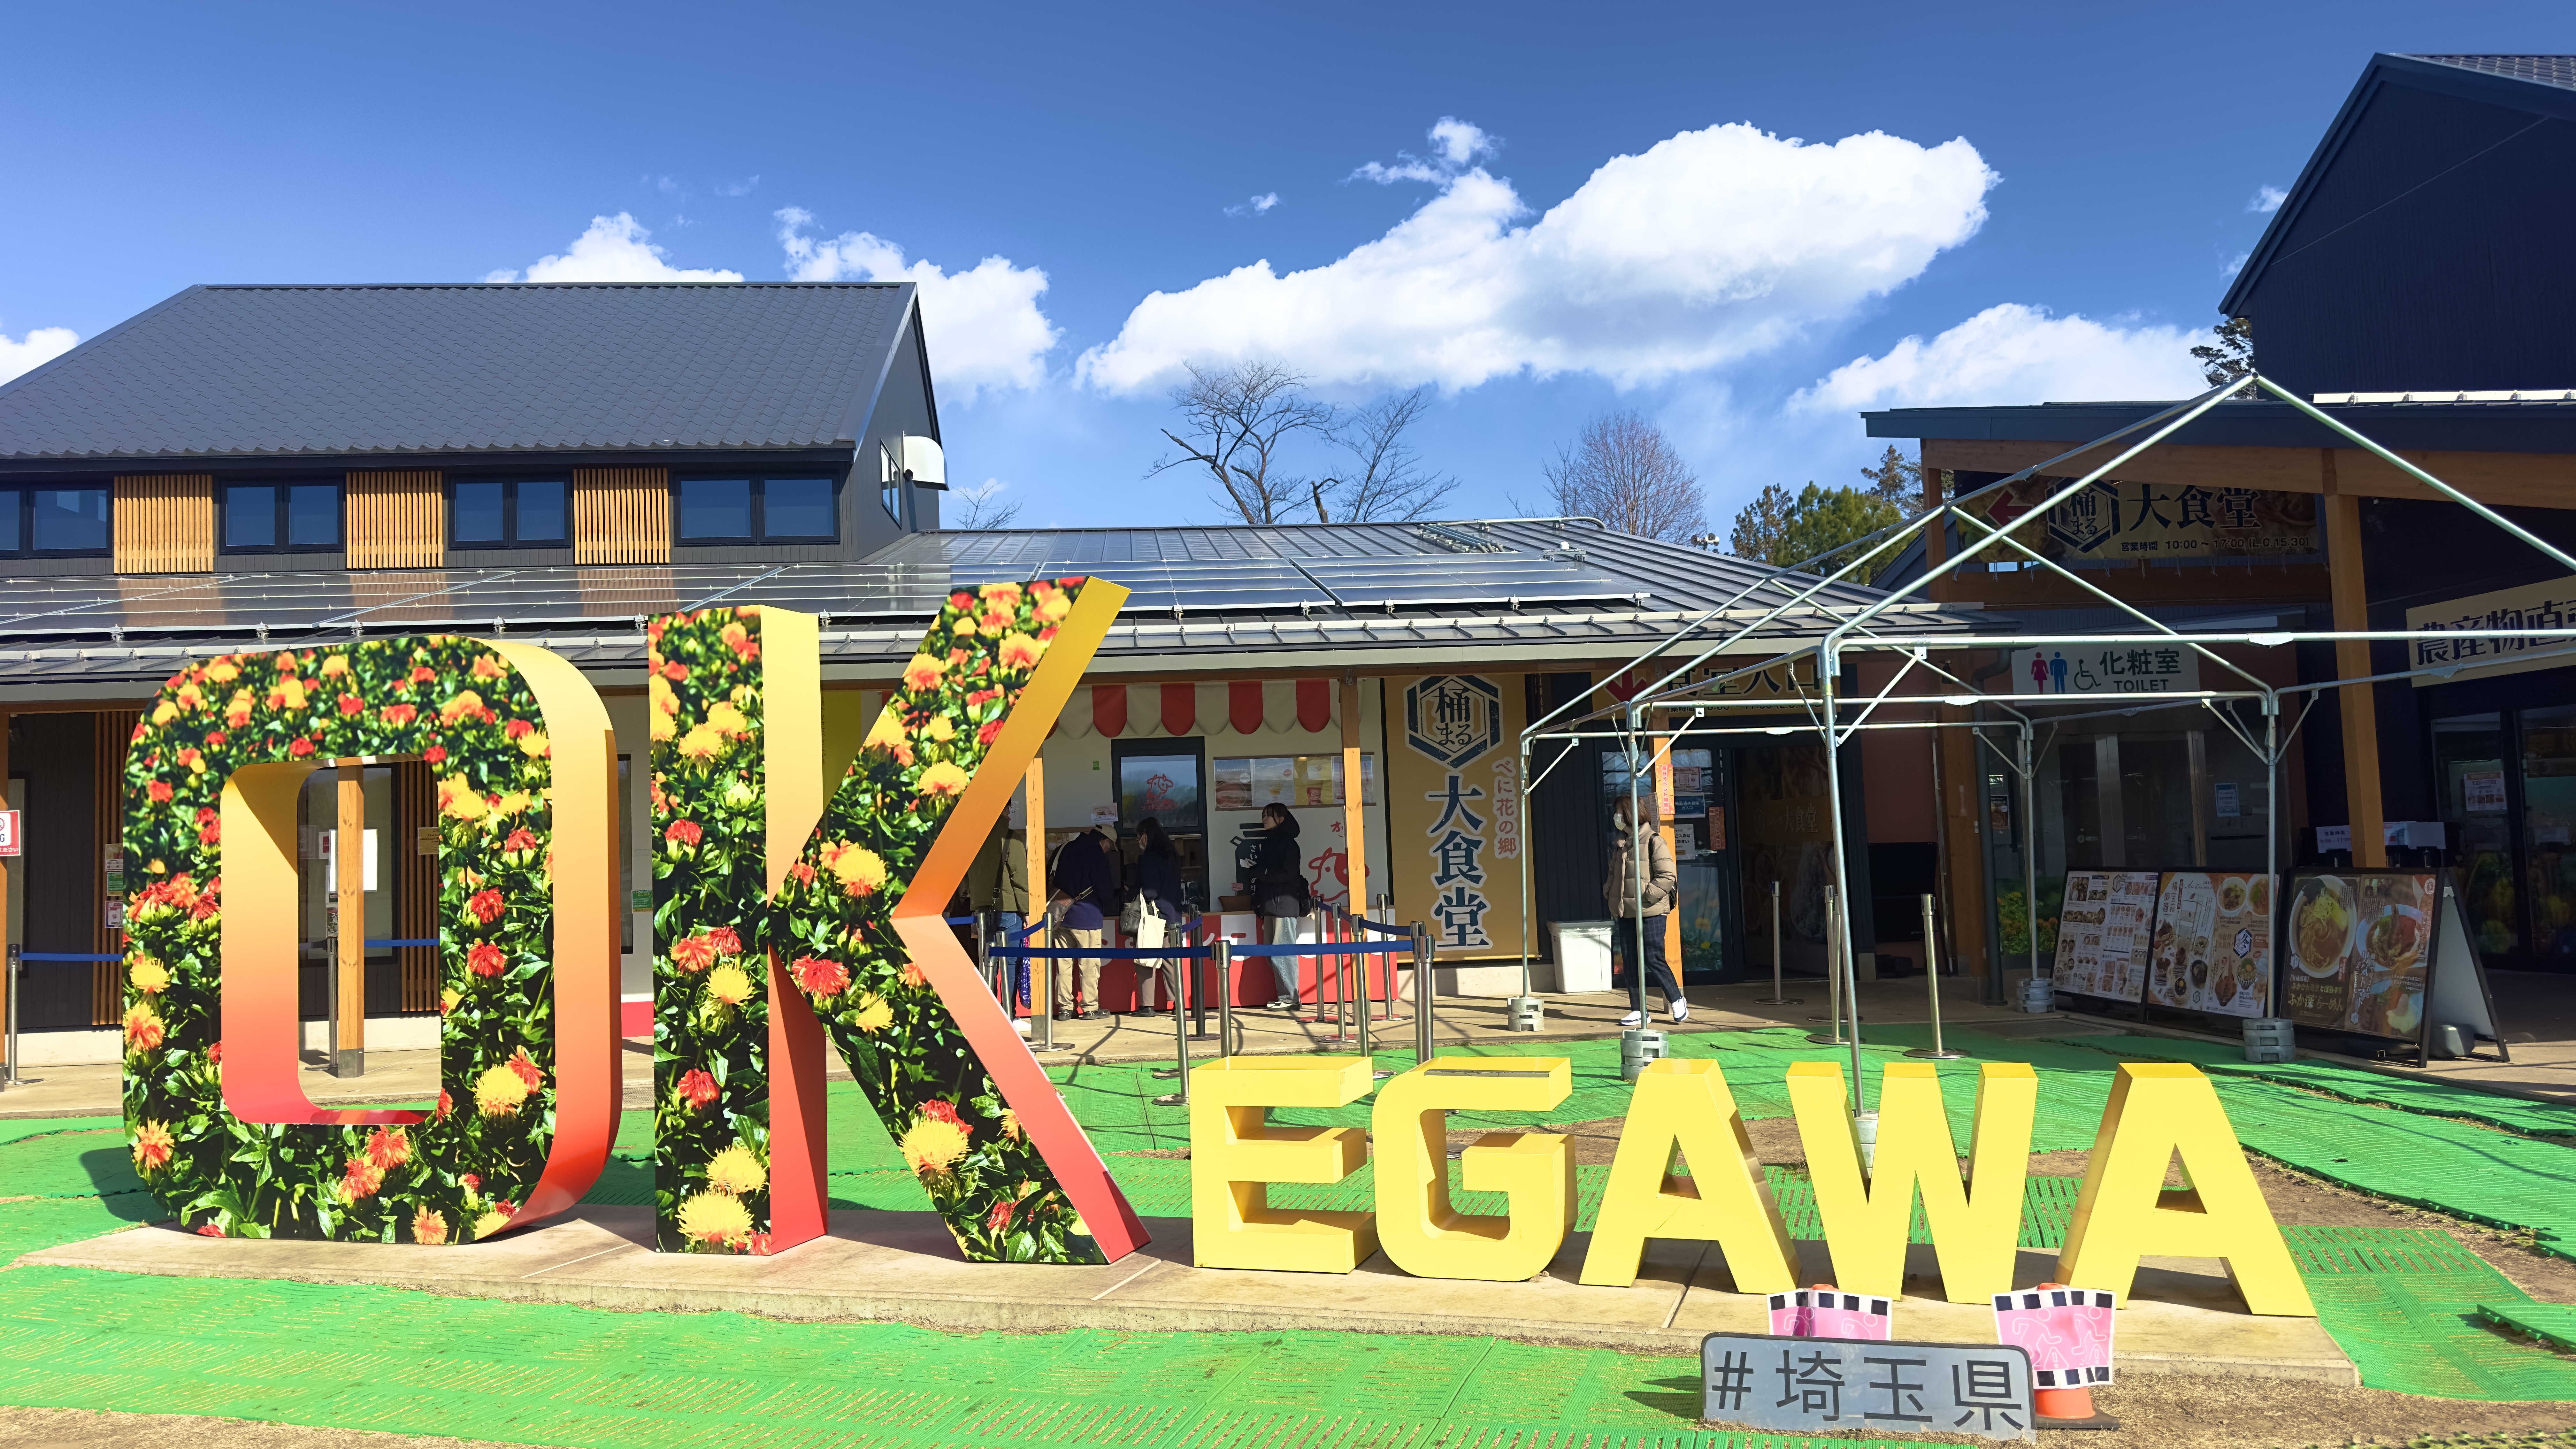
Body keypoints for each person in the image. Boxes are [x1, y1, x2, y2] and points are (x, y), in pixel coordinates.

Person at [1606, 795, 1688, 1027]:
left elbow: (1667, 876)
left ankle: (1677, 999)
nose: (1616, 818)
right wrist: (1610, 892)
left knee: (1653, 957)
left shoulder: (1654, 841)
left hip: (1651, 911)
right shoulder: (1621, 843)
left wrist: (1646, 898)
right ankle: (1638, 1010)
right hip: (1626, 911)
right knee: (1631, 961)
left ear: (1631, 813)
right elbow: (1613, 874)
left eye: (1619, 813)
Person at [1049, 813, 1122, 1021]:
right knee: (1089, 965)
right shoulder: (1096, 853)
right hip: (1087, 918)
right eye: (1110, 847)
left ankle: (1065, 1008)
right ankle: (1090, 1008)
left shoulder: (1067, 848)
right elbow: (1106, 890)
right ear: (1104, 841)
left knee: (1063, 965)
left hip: (1061, 916)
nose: (1109, 851)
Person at [1242, 803, 1313, 1009]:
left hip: (1284, 904)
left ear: (1281, 819)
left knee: (1282, 953)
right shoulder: (1271, 841)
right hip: (1272, 905)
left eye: (1269, 816)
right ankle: (1285, 996)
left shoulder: (1289, 844)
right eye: (1263, 815)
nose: (1264, 819)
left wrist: (1259, 872)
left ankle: (1291, 999)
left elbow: (1288, 874)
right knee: (1272, 953)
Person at [966, 815, 1030, 1013]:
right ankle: (1008, 1012)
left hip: (981, 910)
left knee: (987, 961)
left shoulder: (974, 838)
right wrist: (1027, 911)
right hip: (1009, 909)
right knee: (1009, 962)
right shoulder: (1012, 838)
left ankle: (989, 1011)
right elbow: (1020, 879)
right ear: (1006, 809)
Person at [1129, 816, 1188, 1014]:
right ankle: (1177, 1004)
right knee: (1172, 961)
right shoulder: (1172, 854)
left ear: (1145, 837)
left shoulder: (1149, 857)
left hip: (1154, 918)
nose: (1138, 843)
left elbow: (1150, 892)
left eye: (1139, 838)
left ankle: (1147, 1006)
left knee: (1147, 960)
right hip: (1173, 916)